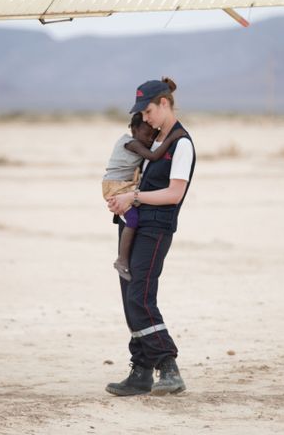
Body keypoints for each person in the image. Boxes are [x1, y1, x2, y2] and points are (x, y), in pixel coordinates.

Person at [105, 77, 196, 396]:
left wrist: (135, 198)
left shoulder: (181, 143)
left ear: (164, 104)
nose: (144, 118)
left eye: (147, 111)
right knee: (129, 297)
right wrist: (121, 198)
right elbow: (136, 181)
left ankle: (168, 365)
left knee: (140, 297)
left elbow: (174, 193)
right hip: (134, 224)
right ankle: (141, 371)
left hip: (156, 228)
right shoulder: (155, 141)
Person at [102, 113, 186, 280]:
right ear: (133, 129)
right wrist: (172, 138)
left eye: (153, 135)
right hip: (115, 186)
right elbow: (153, 156)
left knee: (133, 213)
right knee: (133, 219)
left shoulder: (136, 141)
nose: (150, 139)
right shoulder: (131, 143)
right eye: (146, 135)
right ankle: (122, 259)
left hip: (119, 184)